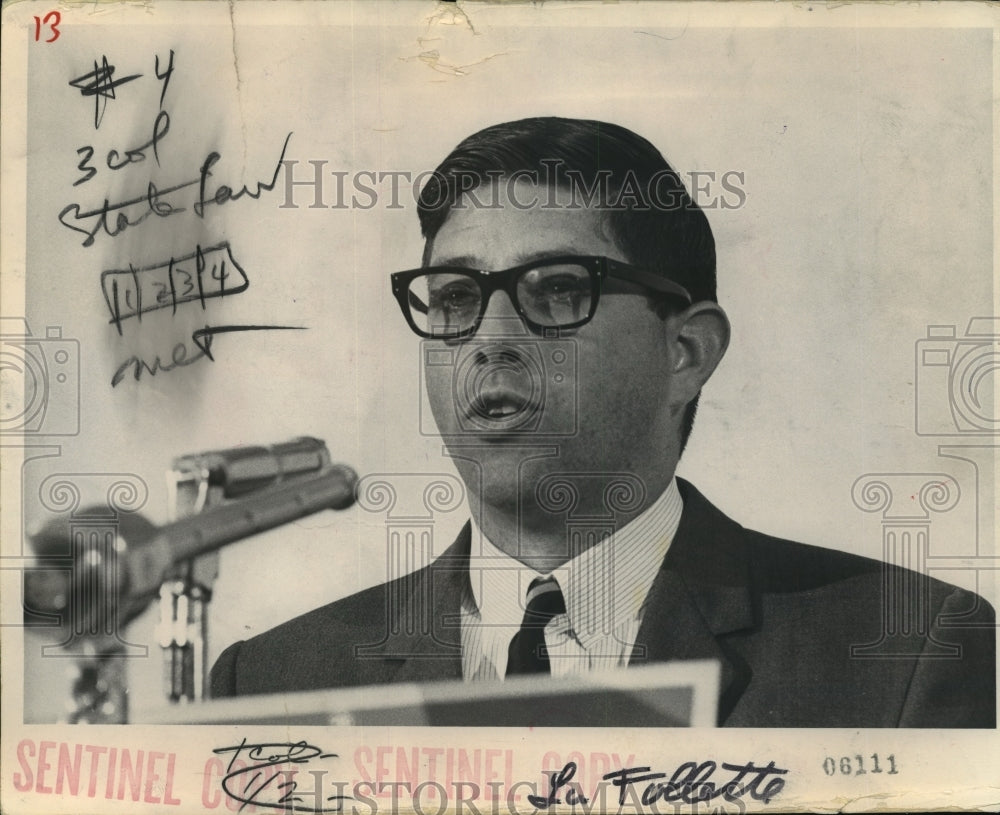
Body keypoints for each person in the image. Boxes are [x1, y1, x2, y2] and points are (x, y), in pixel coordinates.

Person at [210, 117, 995, 727]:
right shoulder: (274, 681)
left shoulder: (908, 654)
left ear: (685, 349)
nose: (489, 340)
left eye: (554, 289)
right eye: (452, 297)